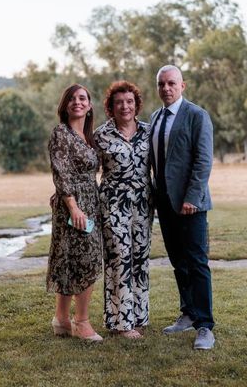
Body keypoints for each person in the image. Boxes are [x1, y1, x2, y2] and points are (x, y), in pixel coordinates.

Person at [150, 65, 215, 350]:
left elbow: (203, 162)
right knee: (178, 262)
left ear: (182, 86)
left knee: (197, 263)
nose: (166, 88)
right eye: (161, 84)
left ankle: (205, 326)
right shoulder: (154, 118)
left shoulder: (197, 116)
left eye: (171, 83)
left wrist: (192, 197)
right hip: (164, 203)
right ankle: (188, 313)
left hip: (191, 204)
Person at [94, 81, 153, 339]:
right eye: (119, 102)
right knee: (119, 258)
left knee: (140, 258)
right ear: (111, 106)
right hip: (113, 204)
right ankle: (121, 323)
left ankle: (139, 316)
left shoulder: (150, 132)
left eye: (129, 101)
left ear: (136, 104)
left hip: (143, 203)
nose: (125, 106)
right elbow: (88, 170)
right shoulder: (101, 135)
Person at [46, 84, 103, 342]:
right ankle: (81, 322)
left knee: (70, 259)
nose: (77, 102)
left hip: (89, 200)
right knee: (85, 259)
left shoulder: (88, 138)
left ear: (89, 106)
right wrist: (72, 205)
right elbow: (61, 170)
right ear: (65, 105)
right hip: (74, 206)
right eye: (72, 98)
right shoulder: (62, 133)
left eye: (82, 98)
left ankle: (61, 319)